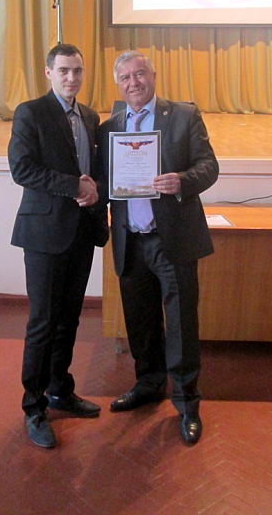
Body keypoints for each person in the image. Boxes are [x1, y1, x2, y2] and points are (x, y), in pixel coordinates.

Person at [100, 50, 219, 444]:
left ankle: (186, 401)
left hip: (172, 240)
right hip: (130, 240)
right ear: (118, 84)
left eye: (140, 74)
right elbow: (105, 181)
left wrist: (182, 181)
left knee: (181, 322)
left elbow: (209, 166)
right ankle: (148, 384)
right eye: (125, 78)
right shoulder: (111, 126)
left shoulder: (183, 116)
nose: (133, 83)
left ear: (153, 75)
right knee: (140, 321)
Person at [8, 43, 109, 448]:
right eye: (64, 70)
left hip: (81, 231)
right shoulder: (30, 112)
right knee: (43, 322)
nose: (71, 78)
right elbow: (22, 169)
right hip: (45, 234)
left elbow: (94, 171)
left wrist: (97, 189)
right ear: (48, 72)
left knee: (69, 319)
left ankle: (60, 391)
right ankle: (33, 407)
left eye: (77, 71)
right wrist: (74, 187)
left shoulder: (91, 117)